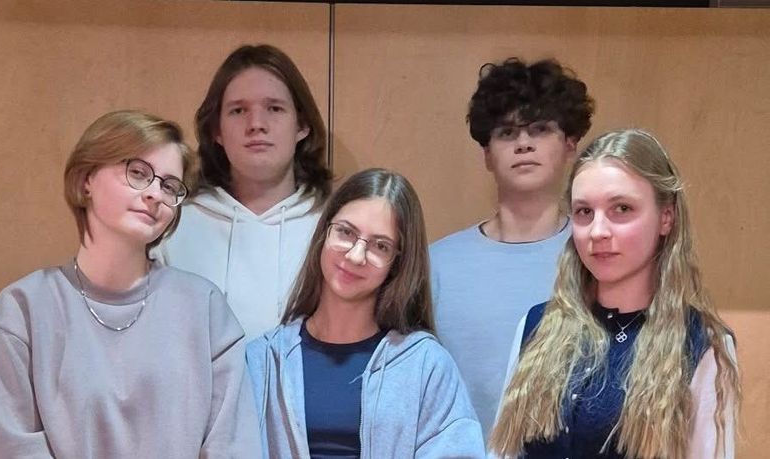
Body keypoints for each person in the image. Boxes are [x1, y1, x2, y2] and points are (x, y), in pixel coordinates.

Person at [0, 110, 261, 458]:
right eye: (138, 173)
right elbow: (10, 447)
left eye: (169, 186)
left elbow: (233, 446)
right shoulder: (24, 308)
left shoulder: (204, 308)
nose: (155, 194)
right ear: (87, 178)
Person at [490, 129, 740, 459]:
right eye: (584, 212)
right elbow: (503, 452)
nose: (598, 231)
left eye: (622, 208)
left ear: (666, 217)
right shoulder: (536, 325)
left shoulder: (702, 342)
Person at [246, 168, 485, 458]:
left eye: (380, 246)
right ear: (324, 232)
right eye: (346, 232)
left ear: (397, 263)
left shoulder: (426, 364)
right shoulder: (263, 360)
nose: (355, 255)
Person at [430, 57, 595, 438]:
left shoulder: (598, 257)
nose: (523, 143)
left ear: (570, 144)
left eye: (540, 129)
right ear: (487, 154)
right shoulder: (436, 265)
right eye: (507, 132)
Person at [155, 44, 332, 339]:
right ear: (217, 131)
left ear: (302, 125)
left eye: (274, 108)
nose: (256, 125)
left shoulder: (336, 231)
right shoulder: (173, 227)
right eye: (238, 111)